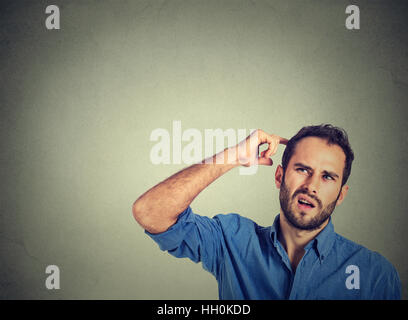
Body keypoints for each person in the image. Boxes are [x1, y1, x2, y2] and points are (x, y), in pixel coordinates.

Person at [132, 124, 401, 299]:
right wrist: (235, 156)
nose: (312, 186)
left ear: (341, 195)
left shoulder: (375, 275)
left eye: (328, 177)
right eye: (302, 170)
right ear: (279, 177)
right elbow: (150, 211)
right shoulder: (232, 241)